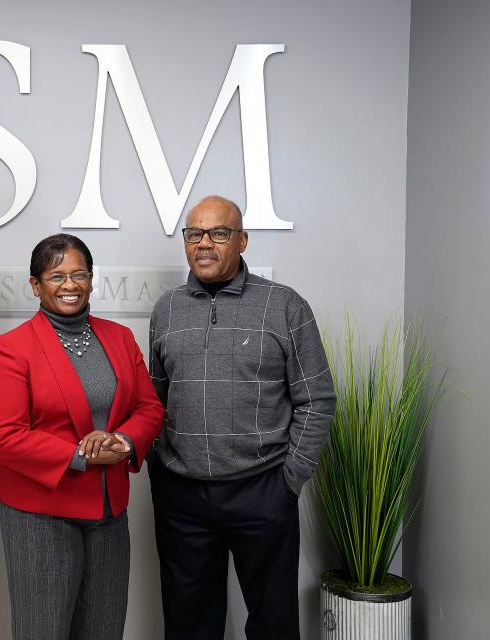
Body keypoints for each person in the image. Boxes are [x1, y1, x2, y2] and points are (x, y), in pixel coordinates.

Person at [148, 196, 336, 640]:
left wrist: (290, 478)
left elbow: (317, 398)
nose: (204, 244)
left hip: (263, 489)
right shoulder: (167, 310)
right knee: (188, 623)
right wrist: (162, 467)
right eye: (194, 234)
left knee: (272, 624)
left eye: (218, 233)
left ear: (242, 240)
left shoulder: (285, 306)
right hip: (183, 496)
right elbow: (154, 397)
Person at [0, 233, 165, 640]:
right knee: (42, 630)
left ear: (91, 278)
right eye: (56, 275)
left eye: (79, 274)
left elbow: (150, 408)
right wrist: (82, 455)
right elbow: (2, 436)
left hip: (108, 513)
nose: (70, 285)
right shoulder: (13, 350)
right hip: (40, 517)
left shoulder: (119, 338)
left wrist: (123, 442)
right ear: (35, 285)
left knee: (104, 629)